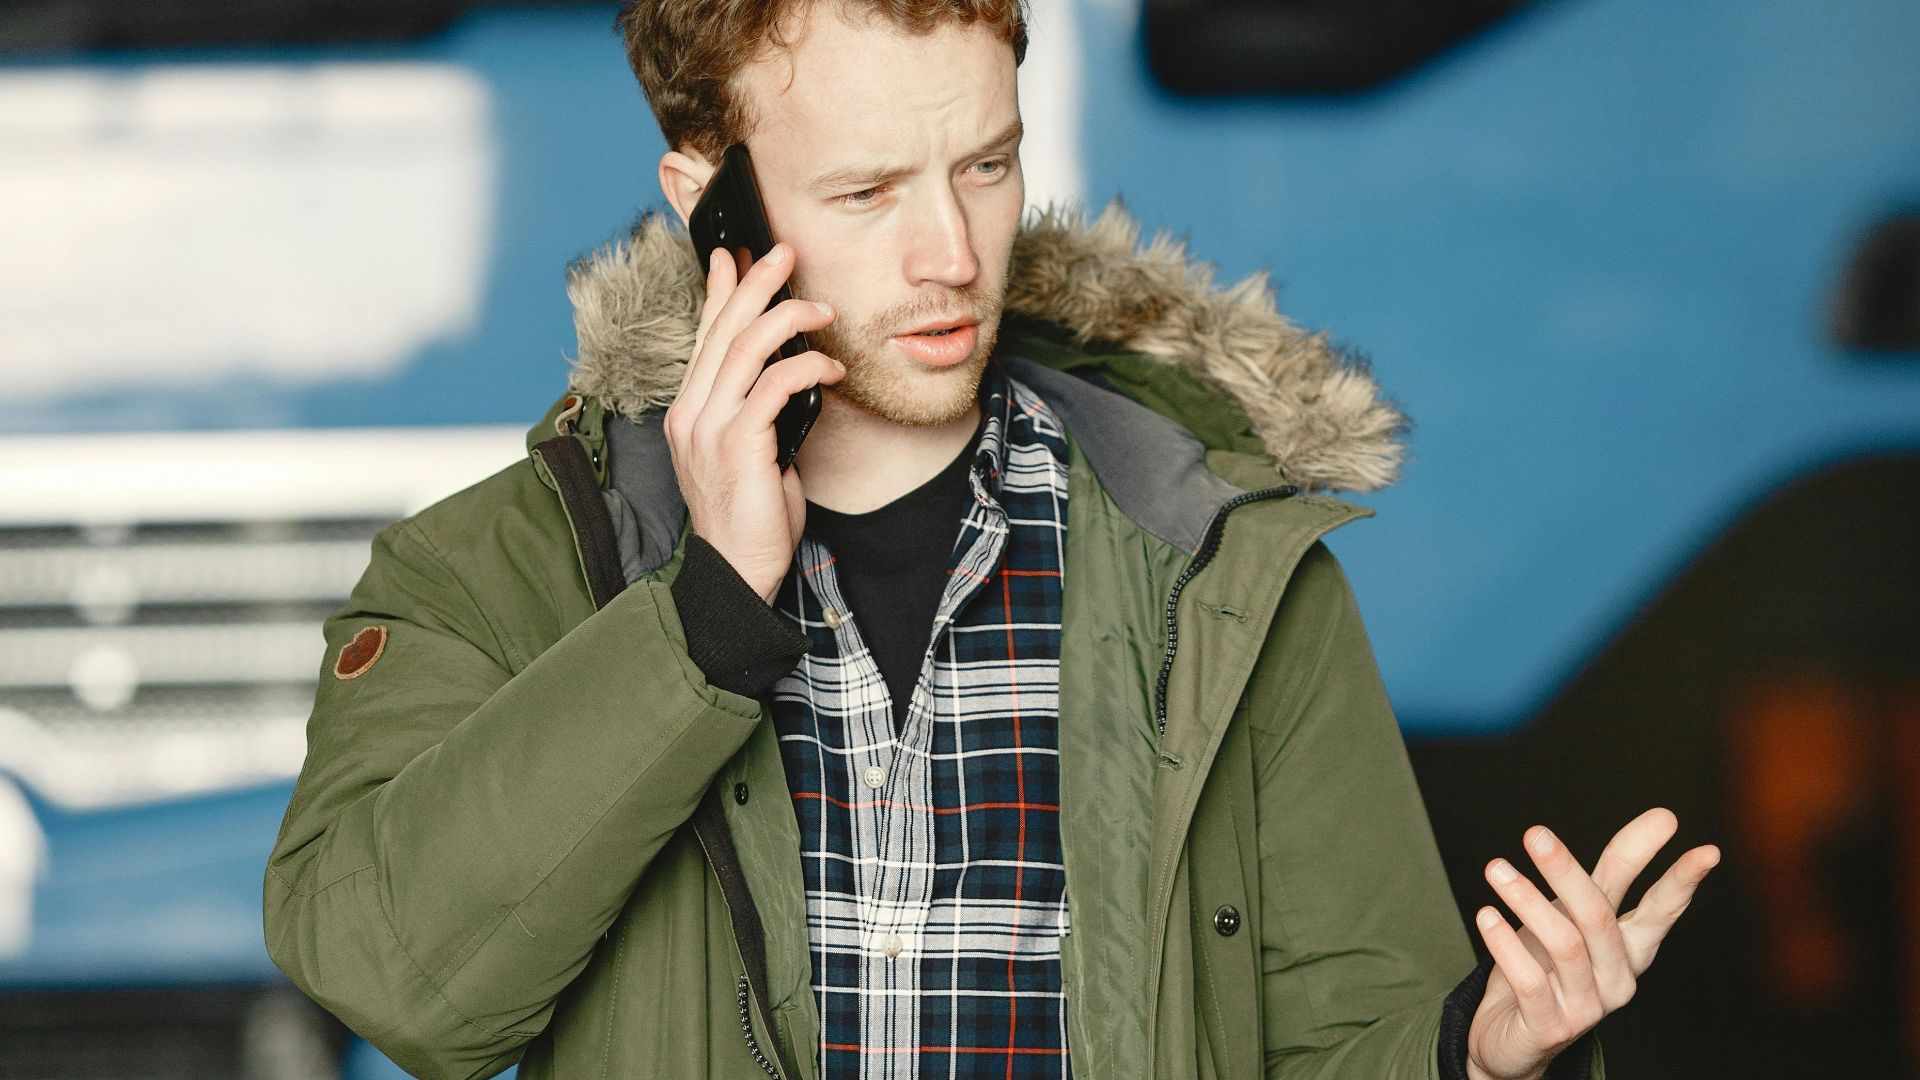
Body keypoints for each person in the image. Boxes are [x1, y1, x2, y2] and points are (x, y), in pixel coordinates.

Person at [261, 1, 1720, 1077]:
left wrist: (1479, 1056)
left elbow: (1351, 1037)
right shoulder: (507, 571)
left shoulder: (1227, 575)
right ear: (711, 204)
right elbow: (395, 984)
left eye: (985, 166)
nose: (951, 255)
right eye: (867, 192)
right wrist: (706, 619)